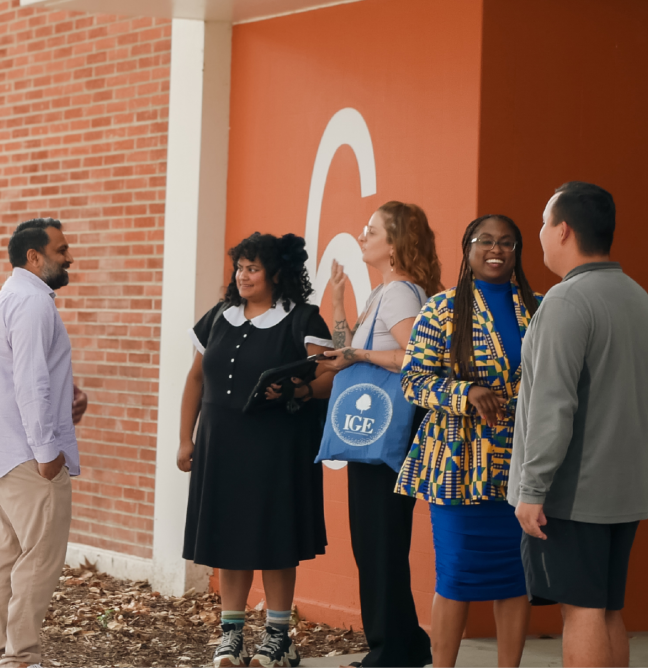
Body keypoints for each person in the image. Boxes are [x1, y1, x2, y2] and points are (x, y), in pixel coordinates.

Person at [511, 183, 648, 668]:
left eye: (543, 223)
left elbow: (552, 404)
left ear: (563, 230)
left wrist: (532, 488)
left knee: (580, 612)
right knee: (606, 609)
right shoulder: (639, 298)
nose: (539, 233)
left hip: (573, 492)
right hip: (624, 487)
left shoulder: (565, 301)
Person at [179, 232, 333, 668]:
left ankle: (278, 638)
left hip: (277, 447)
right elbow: (195, 378)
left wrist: (298, 389)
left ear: (276, 274)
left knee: (275, 538)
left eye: (253, 269)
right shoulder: (218, 316)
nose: (242, 276)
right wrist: (185, 438)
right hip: (220, 445)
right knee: (229, 537)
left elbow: (328, 377)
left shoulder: (302, 318)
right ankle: (231, 636)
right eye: (239, 268)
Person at [397, 215, 540, 668]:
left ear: (517, 251)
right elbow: (413, 381)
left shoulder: (538, 309)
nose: (496, 249)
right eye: (486, 240)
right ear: (468, 248)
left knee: (515, 578)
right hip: (457, 465)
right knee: (456, 576)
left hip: (519, 463)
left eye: (507, 242)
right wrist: (466, 393)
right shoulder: (440, 309)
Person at [313, 202, 442, 667]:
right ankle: (404, 644)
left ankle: (390, 651)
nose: (362, 236)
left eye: (372, 231)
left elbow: (416, 358)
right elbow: (346, 350)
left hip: (386, 436)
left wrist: (363, 357)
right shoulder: (384, 293)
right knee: (373, 542)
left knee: (380, 542)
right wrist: (339, 300)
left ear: (395, 244)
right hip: (373, 435)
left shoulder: (401, 295)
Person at [0, 217, 90, 668]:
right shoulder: (31, 302)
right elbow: (30, 381)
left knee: (10, 560)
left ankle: (1, 653)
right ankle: (20, 658)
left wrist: (68, 394)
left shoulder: (10, 296)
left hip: (5, 455)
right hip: (30, 457)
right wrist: (47, 453)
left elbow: (19, 375)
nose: (70, 257)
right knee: (38, 562)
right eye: (61, 250)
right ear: (34, 256)